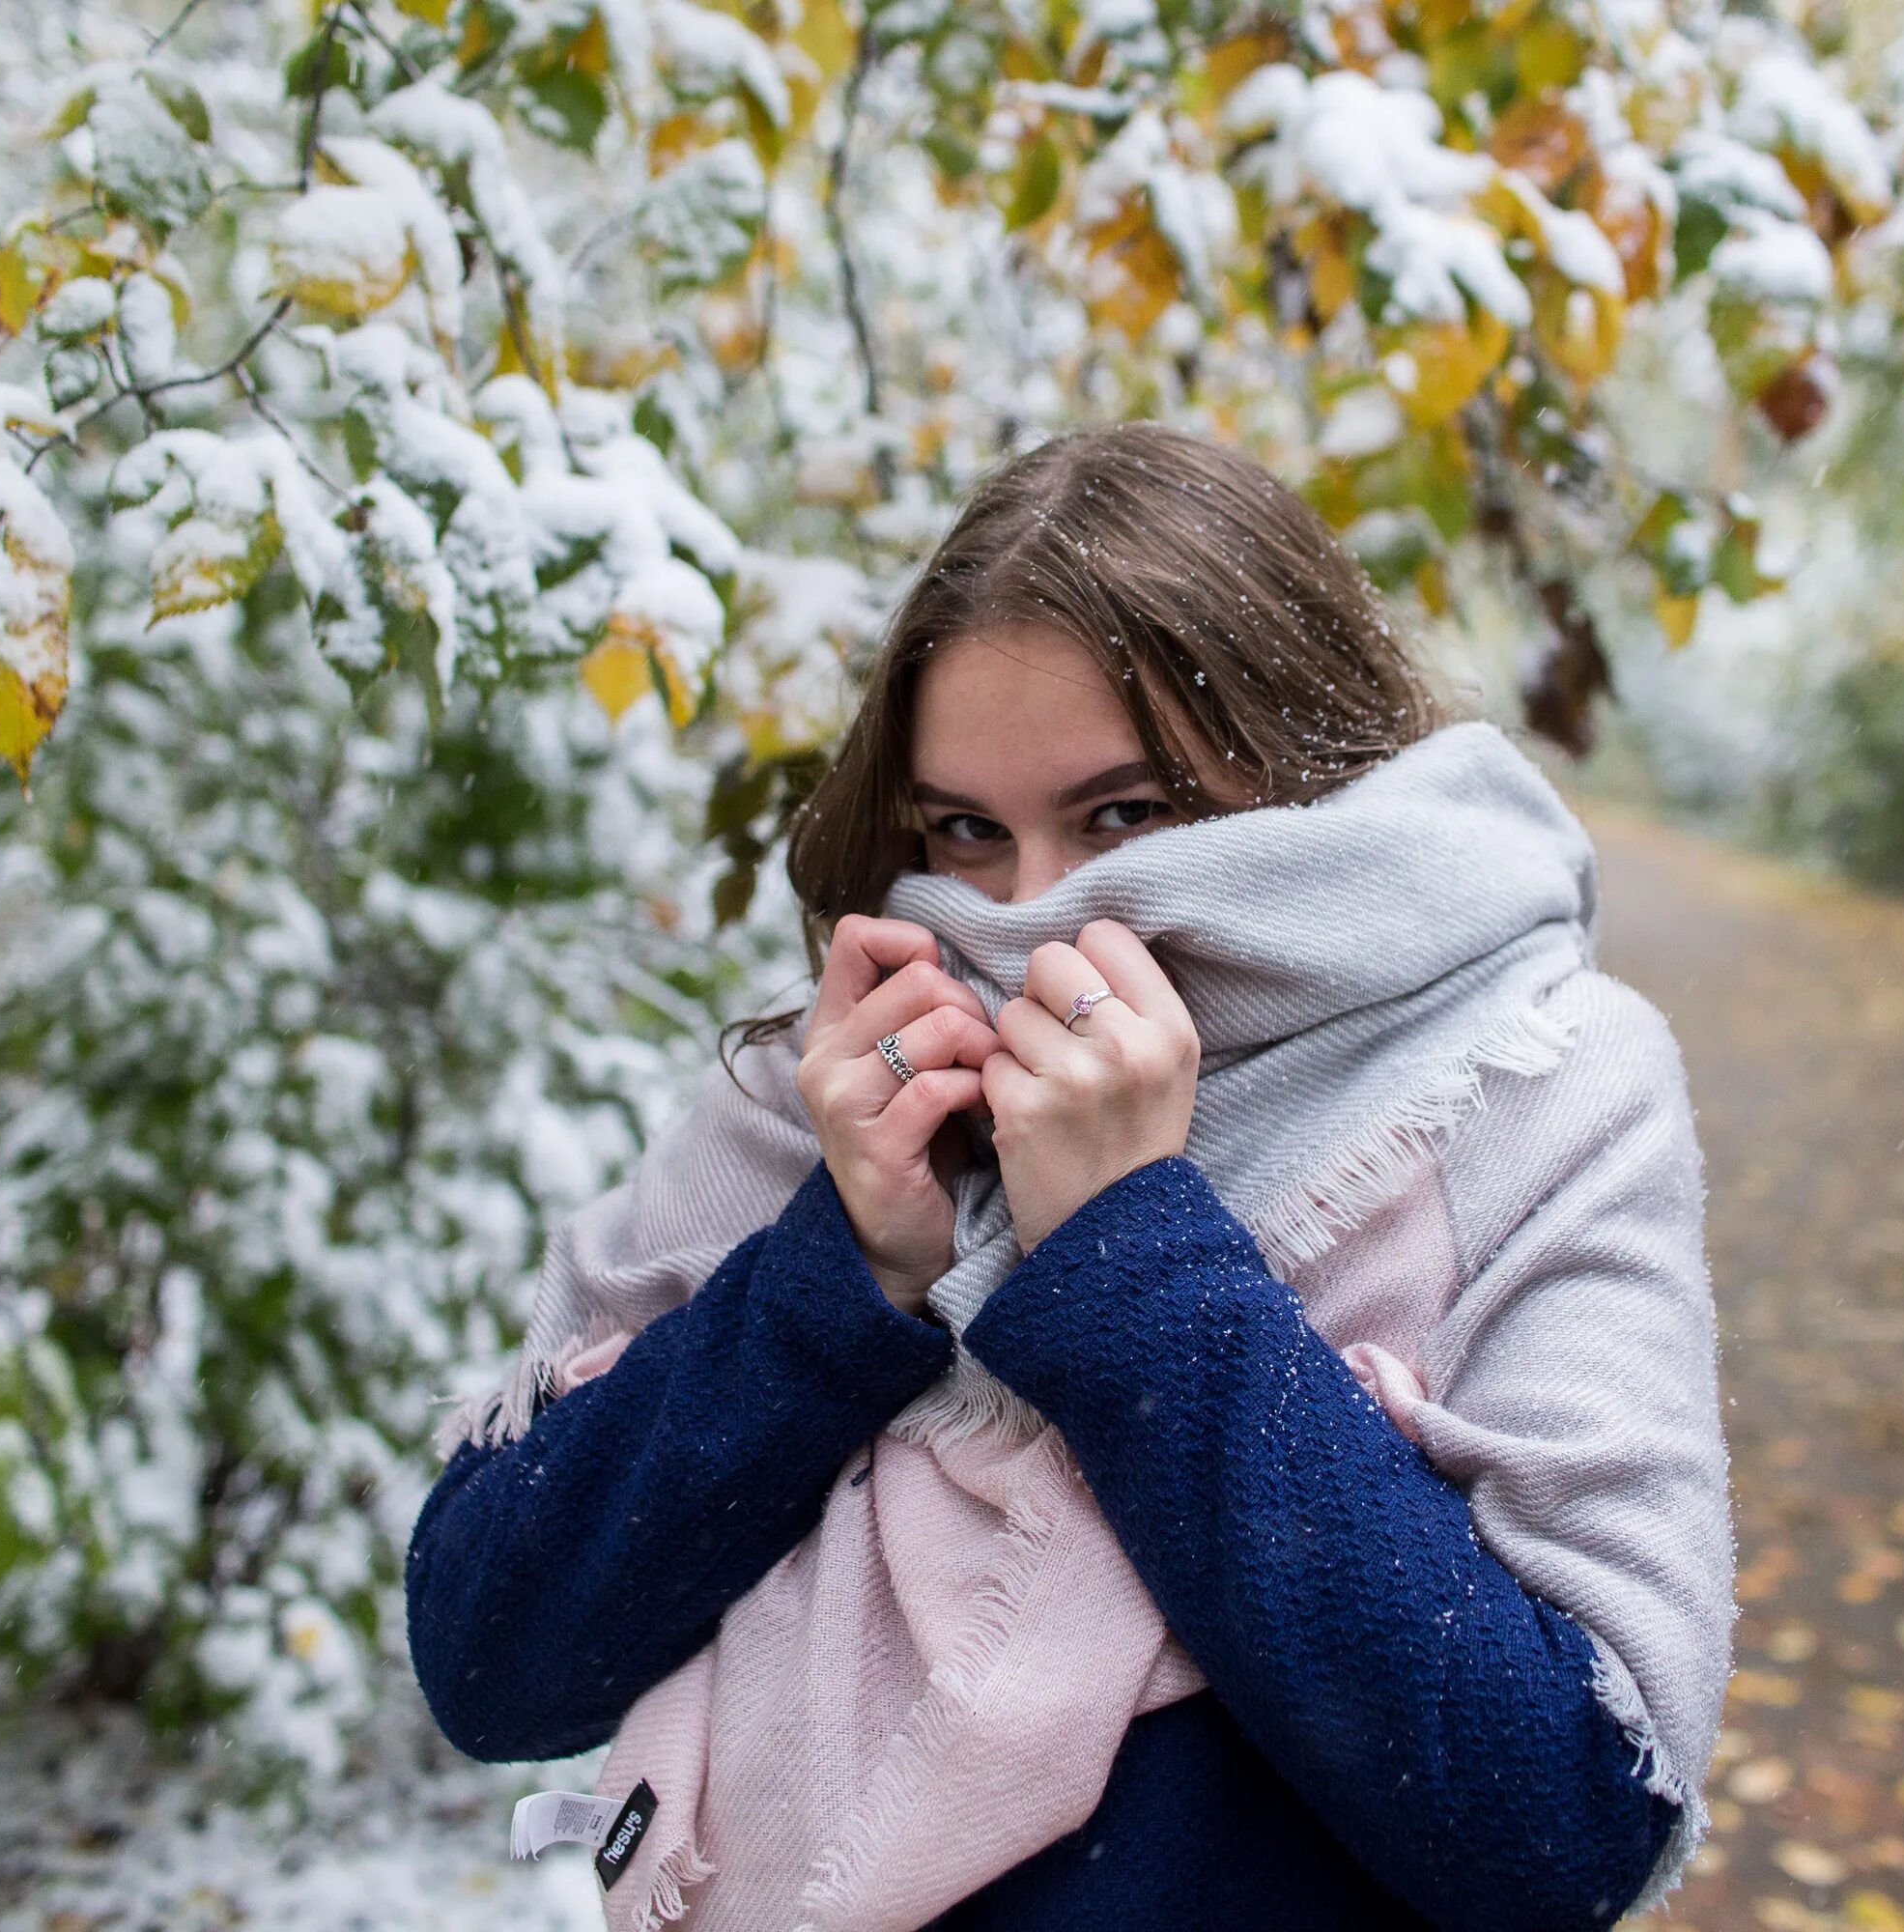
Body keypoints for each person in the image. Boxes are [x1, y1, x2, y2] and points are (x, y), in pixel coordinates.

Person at [404, 423, 1735, 1932]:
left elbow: (1559, 1826)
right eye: (966, 832)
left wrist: (1135, 1257)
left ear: (1314, 771)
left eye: (1128, 818)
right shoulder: (840, 1086)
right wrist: (839, 1274)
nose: (1039, 921)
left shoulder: (1536, 1083)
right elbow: (493, 1654)